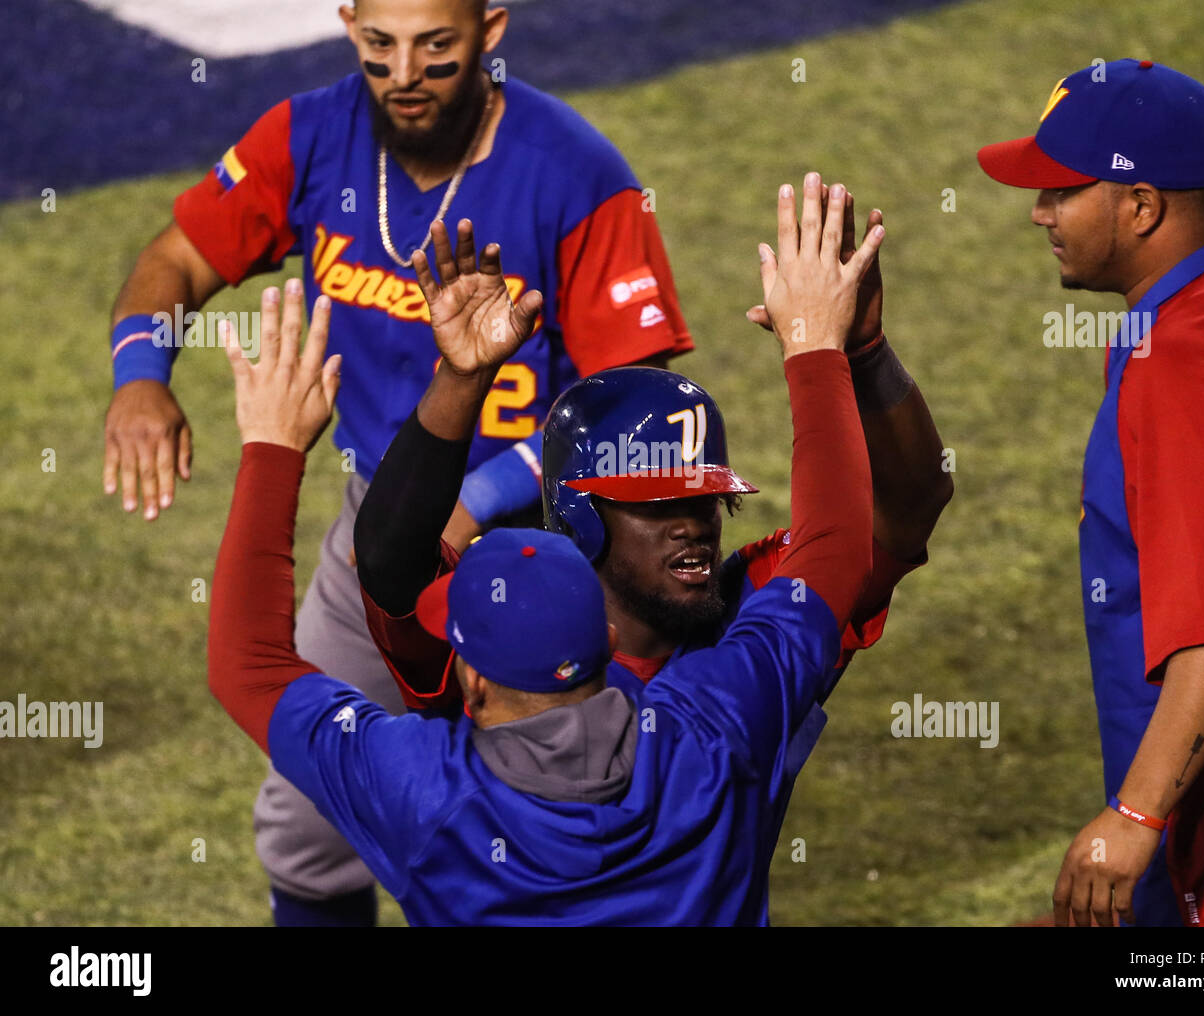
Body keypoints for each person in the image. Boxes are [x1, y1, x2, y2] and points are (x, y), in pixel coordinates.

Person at [105, 0, 691, 925]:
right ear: (348, 25)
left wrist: (482, 497)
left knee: (569, 816)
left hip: (558, 544)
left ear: (490, 31)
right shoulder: (306, 136)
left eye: (436, 47)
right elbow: (177, 257)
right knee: (307, 820)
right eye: (380, 45)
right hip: (383, 530)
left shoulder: (577, 175)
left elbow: (636, 405)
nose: (404, 73)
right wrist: (140, 378)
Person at [208, 188, 880, 924]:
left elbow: (248, 663)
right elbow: (839, 545)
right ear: (610, 642)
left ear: (471, 681)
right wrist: (817, 345)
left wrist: (273, 449)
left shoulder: (420, 791)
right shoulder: (717, 723)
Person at [352, 172, 953, 902]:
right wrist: (459, 379)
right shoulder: (505, 631)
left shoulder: (748, 606)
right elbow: (388, 560)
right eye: (656, 504)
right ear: (578, 516)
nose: (692, 525)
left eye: (702, 500)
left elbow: (909, 505)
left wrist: (862, 352)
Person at [978, 58, 1204, 927]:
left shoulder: (1188, 356)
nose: (1040, 212)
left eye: (1062, 191)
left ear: (1142, 206)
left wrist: (1134, 816)